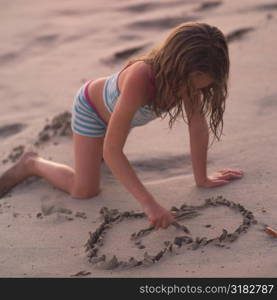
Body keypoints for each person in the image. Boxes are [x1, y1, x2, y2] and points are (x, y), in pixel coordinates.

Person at [0, 22, 243, 229]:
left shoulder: (191, 81)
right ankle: (31, 163)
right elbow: (113, 150)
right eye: (191, 85)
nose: (194, 93)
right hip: (92, 112)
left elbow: (197, 126)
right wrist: (150, 205)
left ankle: (87, 154)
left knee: (105, 158)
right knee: (84, 190)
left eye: (203, 88)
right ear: (175, 66)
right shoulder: (141, 77)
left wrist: (202, 178)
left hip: (119, 116)